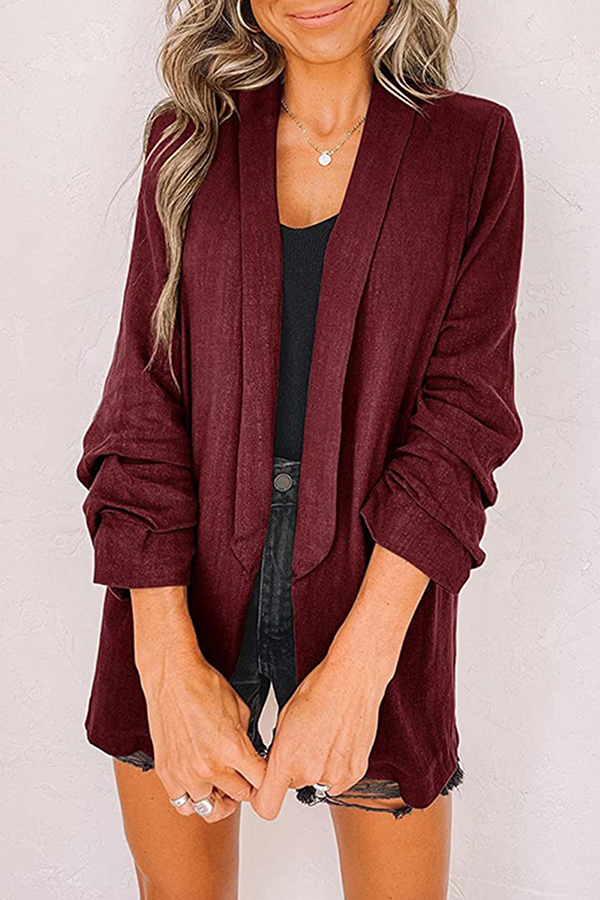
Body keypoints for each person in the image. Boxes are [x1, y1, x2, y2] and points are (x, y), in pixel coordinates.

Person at [76, 0, 525, 896]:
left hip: (380, 595)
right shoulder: (187, 141)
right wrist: (164, 660)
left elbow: (463, 419)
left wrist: (362, 666)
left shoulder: (471, 147)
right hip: (179, 589)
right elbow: (142, 402)